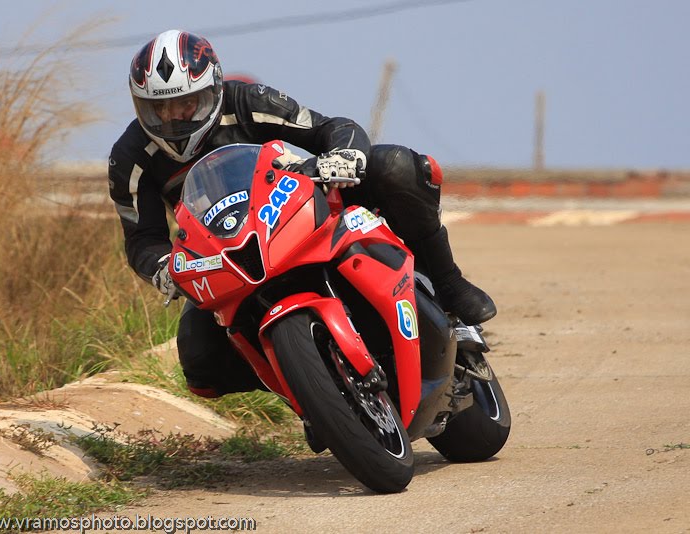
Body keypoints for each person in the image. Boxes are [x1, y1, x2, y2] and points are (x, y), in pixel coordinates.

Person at [108, 29, 496, 399]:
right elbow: (142, 239)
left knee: (395, 166)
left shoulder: (247, 101)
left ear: (213, 90)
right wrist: (163, 267)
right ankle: (308, 389)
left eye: (185, 103)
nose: (173, 118)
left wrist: (343, 156)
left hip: (299, 210)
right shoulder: (130, 157)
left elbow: (331, 128)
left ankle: (448, 283)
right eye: (159, 108)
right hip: (228, 256)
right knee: (199, 361)